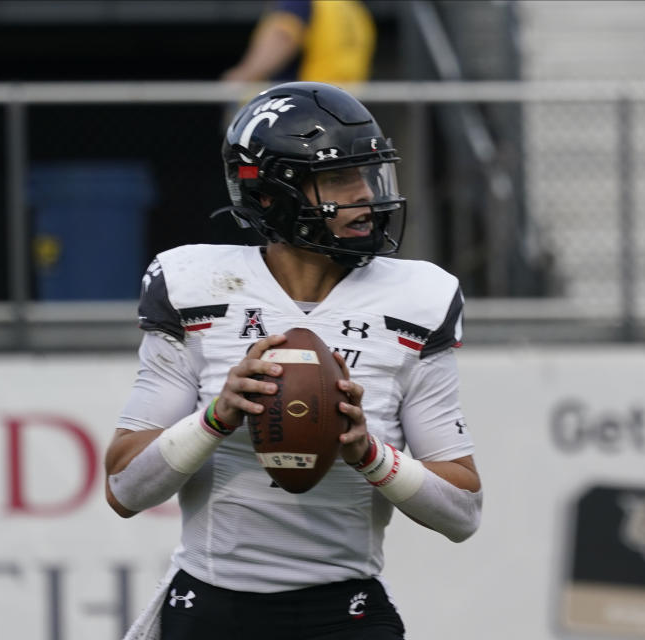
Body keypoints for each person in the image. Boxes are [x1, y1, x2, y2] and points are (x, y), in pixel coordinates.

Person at [104, 82, 482, 640]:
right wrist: (216, 418)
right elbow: (124, 491)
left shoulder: (418, 297)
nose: (364, 194)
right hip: (210, 607)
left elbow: (462, 513)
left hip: (344, 611)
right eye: (336, 178)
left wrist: (369, 453)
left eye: (368, 173)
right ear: (270, 193)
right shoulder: (193, 284)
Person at [221, 1, 375, 85]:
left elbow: (281, 37)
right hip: (345, 106)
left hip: (303, 104)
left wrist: (243, 75)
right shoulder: (354, 9)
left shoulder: (298, 3)